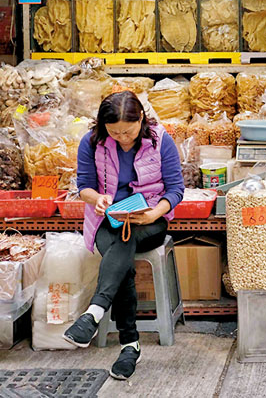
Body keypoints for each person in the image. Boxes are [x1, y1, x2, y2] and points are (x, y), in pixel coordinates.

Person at [65, 91, 185, 380]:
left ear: (141, 118)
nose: (122, 138)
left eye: (128, 131)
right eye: (114, 132)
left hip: (149, 220)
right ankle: (129, 344)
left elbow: (176, 188)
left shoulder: (159, 139)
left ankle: (97, 316)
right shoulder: (91, 142)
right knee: (122, 251)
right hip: (106, 221)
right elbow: (84, 185)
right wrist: (97, 200)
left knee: (125, 241)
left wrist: (155, 213)